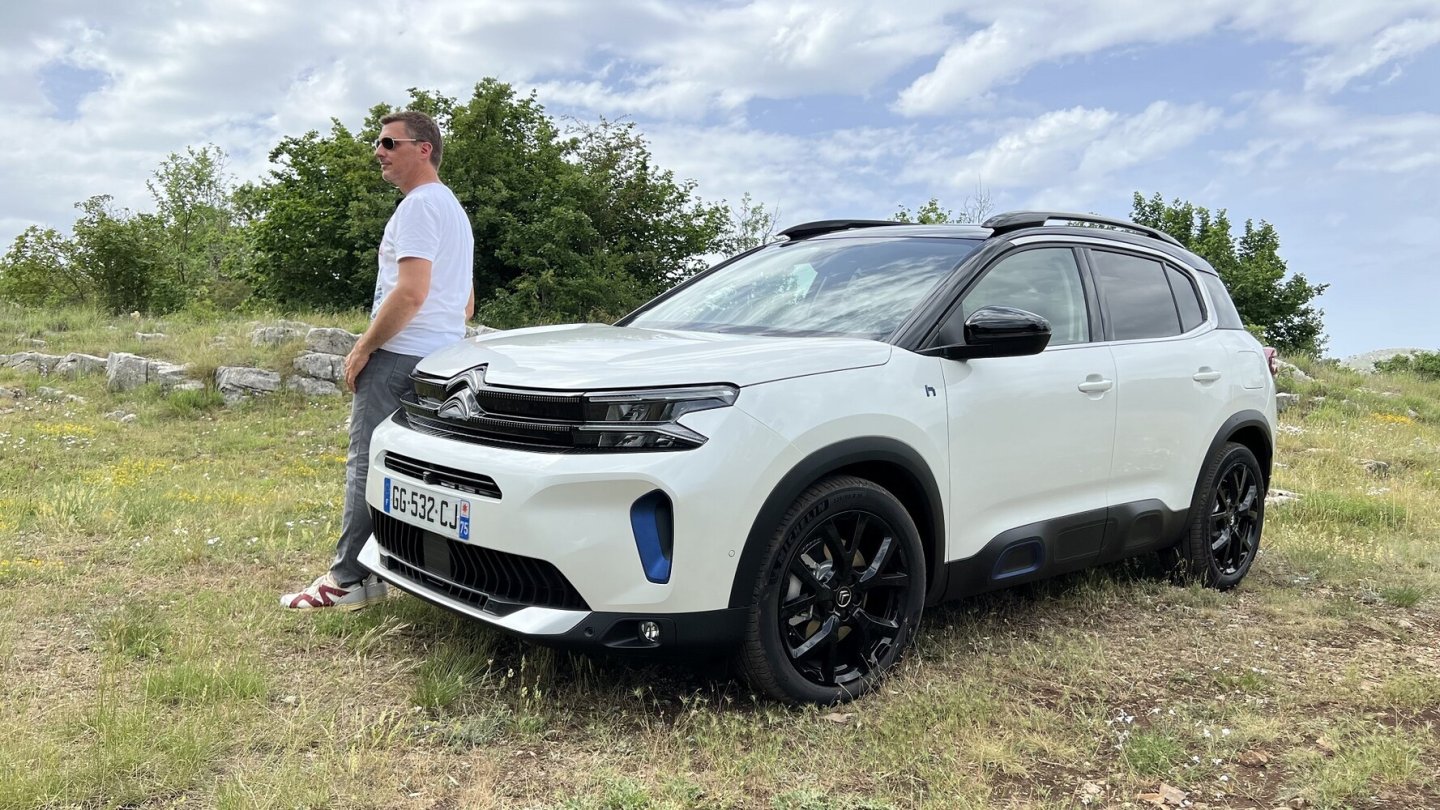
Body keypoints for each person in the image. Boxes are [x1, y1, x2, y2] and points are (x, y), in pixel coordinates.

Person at [282, 110, 474, 610]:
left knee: (367, 464)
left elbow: (410, 294)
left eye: (389, 143)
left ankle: (347, 581)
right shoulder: (453, 209)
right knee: (413, 470)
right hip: (441, 360)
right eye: (379, 143)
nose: (379, 152)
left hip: (399, 357)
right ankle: (387, 572)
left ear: (423, 148)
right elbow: (466, 304)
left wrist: (364, 347)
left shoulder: (417, 207)